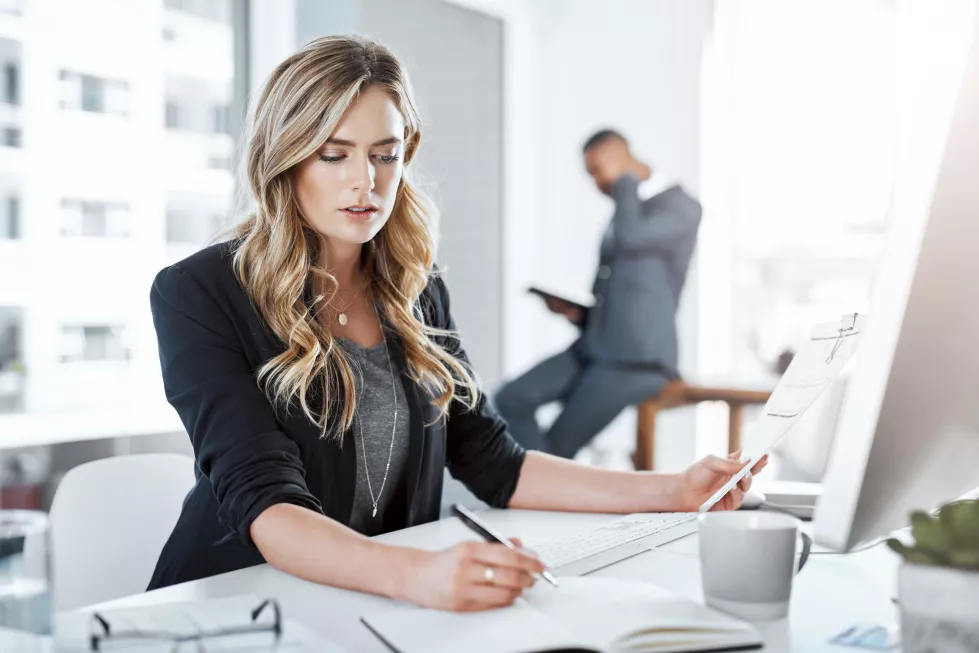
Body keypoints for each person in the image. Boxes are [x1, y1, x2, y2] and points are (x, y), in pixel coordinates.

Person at [146, 36, 762, 613]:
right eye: (334, 155)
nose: (366, 182)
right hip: (234, 607)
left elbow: (494, 461)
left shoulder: (416, 288)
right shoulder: (199, 292)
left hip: (367, 604)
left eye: (385, 155)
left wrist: (672, 490)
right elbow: (266, 500)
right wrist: (418, 574)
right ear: (285, 158)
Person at [495, 130, 702, 459]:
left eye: (598, 171)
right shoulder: (628, 209)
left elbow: (631, 240)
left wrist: (626, 181)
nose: (597, 183)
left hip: (638, 361)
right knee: (510, 398)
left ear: (621, 159)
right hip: (595, 347)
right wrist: (579, 313)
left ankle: (543, 491)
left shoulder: (681, 208)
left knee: (559, 445)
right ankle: (545, 489)